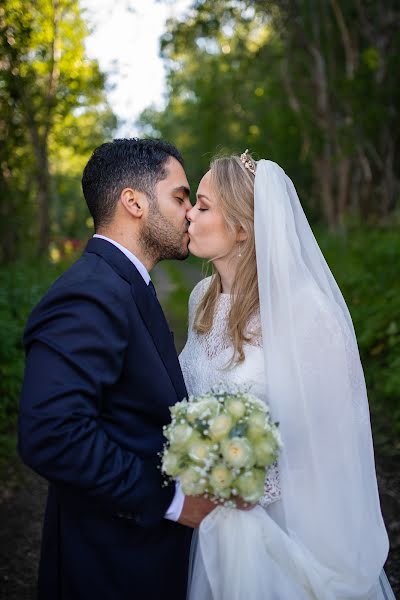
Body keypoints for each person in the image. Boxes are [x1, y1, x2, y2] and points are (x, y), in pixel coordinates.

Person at [180, 152, 396, 599]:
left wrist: (251, 480)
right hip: (212, 523)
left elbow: (334, 438)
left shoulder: (305, 312)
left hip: (287, 528)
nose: (188, 214)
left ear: (242, 228)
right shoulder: (200, 298)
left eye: (202, 206)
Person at [18, 138, 217, 600]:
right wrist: (171, 500)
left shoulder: (129, 286)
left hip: (140, 556)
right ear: (133, 202)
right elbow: (52, 433)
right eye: (180, 196)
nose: (189, 212)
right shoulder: (89, 294)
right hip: (107, 565)